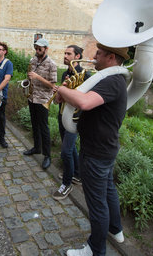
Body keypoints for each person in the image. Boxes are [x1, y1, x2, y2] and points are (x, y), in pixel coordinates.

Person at [56, 43, 130, 256]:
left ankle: (95, 250)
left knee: (97, 204)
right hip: (104, 149)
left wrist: (62, 89)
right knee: (108, 191)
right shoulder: (112, 80)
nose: (94, 56)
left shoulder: (112, 81)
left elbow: (86, 103)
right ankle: (116, 230)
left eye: (98, 53)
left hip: (96, 152)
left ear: (111, 57)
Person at [53, 45, 90, 200]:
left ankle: (66, 184)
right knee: (71, 149)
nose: (65, 55)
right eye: (65, 53)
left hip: (75, 119)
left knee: (66, 151)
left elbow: (85, 99)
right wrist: (60, 93)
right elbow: (60, 98)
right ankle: (76, 175)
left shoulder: (86, 75)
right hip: (63, 115)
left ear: (78, 56)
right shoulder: (66, 74)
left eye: (69, 53)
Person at [23, 38, 57, 169]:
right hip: (32, 97)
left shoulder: (51, 64)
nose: (37, 51)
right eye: (36, 48)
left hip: (43, 100)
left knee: (44, 128)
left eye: (40, 49)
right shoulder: (33, 60)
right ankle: (37, 148)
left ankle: (47, 155)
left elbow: (52, 86)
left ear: (46, 49)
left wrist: (38, 77)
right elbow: (29, 77)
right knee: (34, 124)